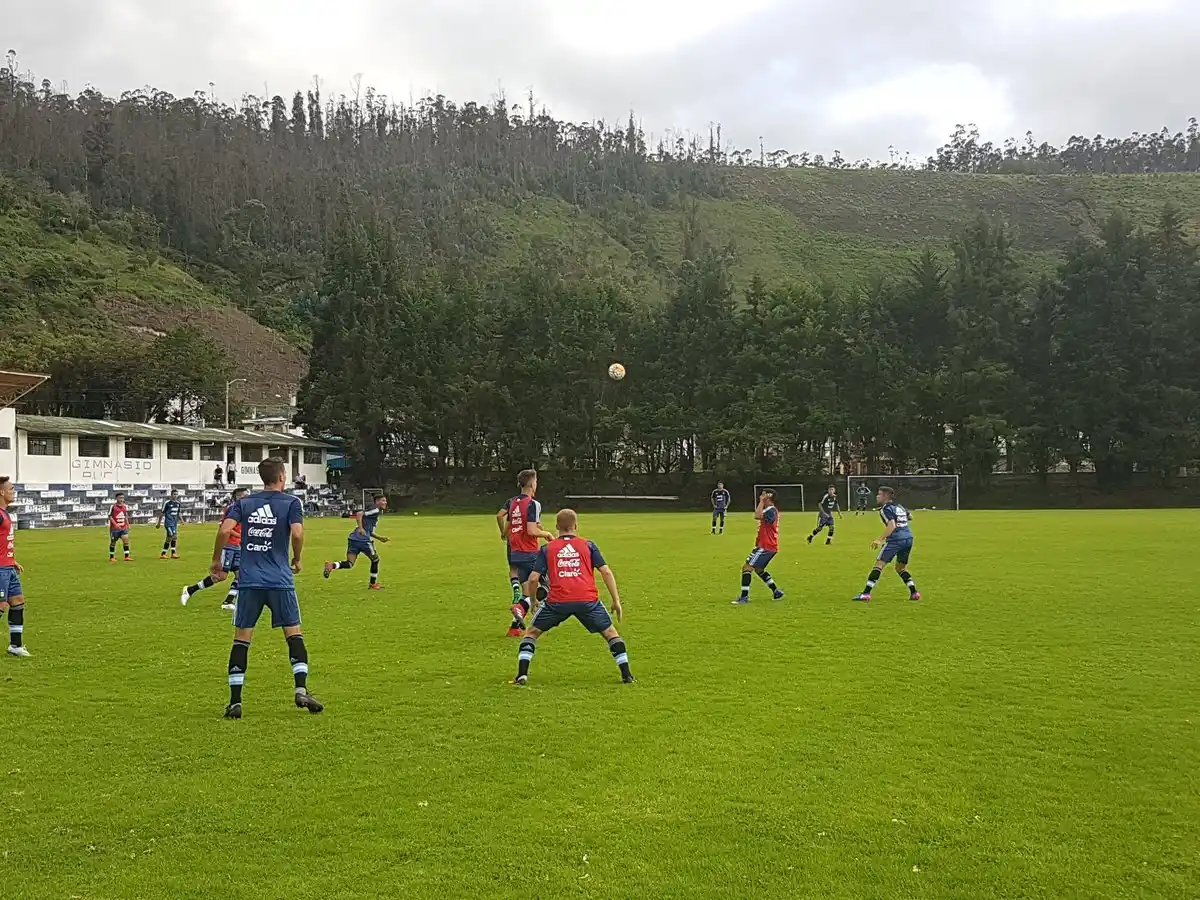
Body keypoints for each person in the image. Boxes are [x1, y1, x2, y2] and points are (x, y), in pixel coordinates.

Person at [210, 457, 322, 719]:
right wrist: (297, 558)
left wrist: (216, 560)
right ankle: (301, 688)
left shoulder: (243, 503)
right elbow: (296, 533)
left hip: (249, 581)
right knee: (293, 634)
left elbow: (225, 530)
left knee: (242, 639)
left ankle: (235, 701)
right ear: (282, 476)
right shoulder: (292, 503)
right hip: (280, 580)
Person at [514, 508, 634, 685]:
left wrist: (533, 601)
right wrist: (616, 601)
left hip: (557, 602)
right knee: (610, 633)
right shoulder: (588, 545)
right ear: (576, 525)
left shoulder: (547, 549)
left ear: (557, 526)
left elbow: (533, 579)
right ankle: (627, 675)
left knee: (531, 633)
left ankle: (522, 675)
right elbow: (606, 572)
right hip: (587, 601)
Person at [497, 469, 553, 637]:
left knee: (527, 590)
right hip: (529, 552)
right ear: (532, 484)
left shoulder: (513, 503)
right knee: (550, 583)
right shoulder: (533, 503)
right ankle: (532, 605)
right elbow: (530, 530)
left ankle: (515, 628)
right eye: (536, 482)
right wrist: (547, 534)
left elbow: (511, 525)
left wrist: (505, 534)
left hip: (515, 553)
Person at [181, 487, 248, 610]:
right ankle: (190, 590)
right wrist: (241, 536)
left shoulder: (244, 510)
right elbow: (225, 527)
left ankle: (228, 602)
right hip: (228, 546)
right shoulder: (233, 509)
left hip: (237, 547)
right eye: (245, 496)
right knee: (221, 576)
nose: (248, 498)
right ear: (237, 498)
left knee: (242, 575)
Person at [853, 485, 921, 603]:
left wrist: (879, 539)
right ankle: (914, 592)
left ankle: (866, 594)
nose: (877, 496)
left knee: (879, 565)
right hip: (908, 539)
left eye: (879, 494)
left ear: (885, 496)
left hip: (896, 540)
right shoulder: (899, 506)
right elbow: (910, 517)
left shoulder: (885, 509)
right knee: (900, 568)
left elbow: (892, 525)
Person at [324, 494, 389, 589]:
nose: (385, 502)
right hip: (363, 540)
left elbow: (369, 531)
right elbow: (359, 514)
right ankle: (372, 584)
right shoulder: (375, 509)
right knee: (375, 560)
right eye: (383, 500)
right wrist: (361, 528)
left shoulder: (374, 512)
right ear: (377, 502)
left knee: (350, 563)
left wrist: (380, 538)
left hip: (353, 538)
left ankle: (331, 566)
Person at [733, 490, 785, 604]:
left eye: (763, 494)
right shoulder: (769, 510)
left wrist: (761, 501)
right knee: (759, 569)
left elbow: (757, 515)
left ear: (769, 497)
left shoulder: (771, 510)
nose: (760, 496)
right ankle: (776, 591)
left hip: (766, 546)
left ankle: (744, 597)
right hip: (766, 545)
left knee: (747, 567)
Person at [0, 477, 31, 658]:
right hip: (0, 569)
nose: (14, 491)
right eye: (11, 489)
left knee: (17, 601)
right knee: (1, 605)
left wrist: (12, 560)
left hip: (8, 567)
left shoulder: (6, 514)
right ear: (2, 492)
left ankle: (15, 646)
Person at [156, 489, 183, 559]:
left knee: (173, 537)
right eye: (174, 494)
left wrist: (182, 520)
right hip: (168, 523)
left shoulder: (178, 503)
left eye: (176, 494)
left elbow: (179, 513)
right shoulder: (167, 503)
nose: (175, 496)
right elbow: (162, 513)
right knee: (171, 535)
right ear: (171, 495)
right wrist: (159, 523)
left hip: (174, 523)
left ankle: (170, 553)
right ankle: (165, 554)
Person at [108, 492, 132, 562]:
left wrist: (128, 524)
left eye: (122, 498)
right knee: (113, 542)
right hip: (114, 529)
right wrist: (115, 524)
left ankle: (126, 556)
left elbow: (125, 516)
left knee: (126, 540)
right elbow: (110, 516)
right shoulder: (113, 507)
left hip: (123, 527)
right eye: (120, 498)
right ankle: (111, 557)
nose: (122, 499)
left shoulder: (124, 506)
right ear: (117, 498)